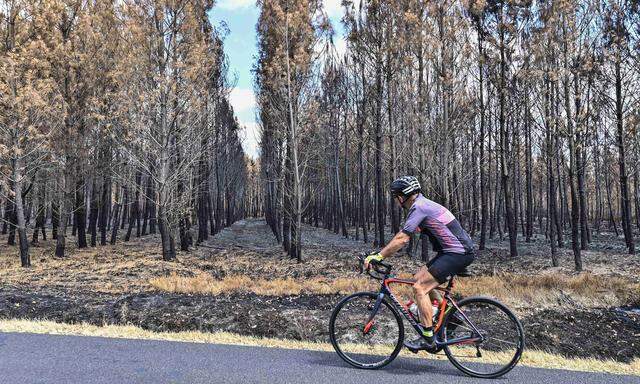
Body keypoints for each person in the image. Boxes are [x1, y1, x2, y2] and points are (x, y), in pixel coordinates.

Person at [364, 175, 475, 352]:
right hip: (454, 251)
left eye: (396, 196)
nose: (396, 200)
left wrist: (379, 256)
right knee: (418, 277)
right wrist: (380, 253)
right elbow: (405, 234)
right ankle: (448, 317)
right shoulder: (424, 205)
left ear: (402, 196)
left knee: (419, 288)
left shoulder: (420, 207)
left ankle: (428, 338)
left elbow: (402, 239)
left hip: (457, 253)